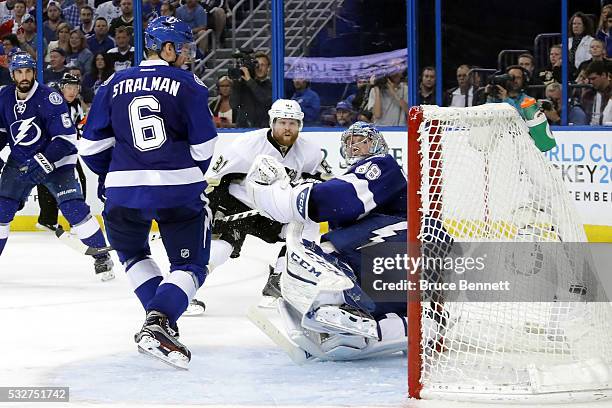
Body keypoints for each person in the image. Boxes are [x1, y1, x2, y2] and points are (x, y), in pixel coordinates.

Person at [81, 16, 217, 369]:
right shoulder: (188, 84)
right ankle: (160, 321)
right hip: (178, 189)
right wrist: (179, 171)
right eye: (183, 47)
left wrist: (121, 171)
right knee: (190, 264)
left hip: (122, 192)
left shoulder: (112, 83)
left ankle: (158, 323)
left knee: (133, 255)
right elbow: (204, 149)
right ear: (167, 48)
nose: (186, 55)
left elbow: (91, 150)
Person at [244, 122, 408, 360]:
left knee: (329, 249)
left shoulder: (384, 165)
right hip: (403, 278)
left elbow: (340, 199)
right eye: (350, 142)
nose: (355, 146)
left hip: (407, 256)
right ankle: (380, 320)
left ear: (378, 143)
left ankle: (348, 302)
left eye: (362, 140)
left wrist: (288, 196)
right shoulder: (360, 177)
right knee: (327, 245)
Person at [187, 99, 332, 313]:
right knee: (222, 247)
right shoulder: (247, 145)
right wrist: (212, 210)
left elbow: (327, 181)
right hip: (239, 205)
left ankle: (279, 282)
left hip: (274, 210)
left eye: (292, 123)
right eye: (282, 122)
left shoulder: (309, 151)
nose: (287, 128)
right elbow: (213, 180)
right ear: (272, 122)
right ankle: (188, 289)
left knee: (307, 225)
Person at [0, 53, 114, 280]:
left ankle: (102, 256)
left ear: (34, 72)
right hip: (21, 159)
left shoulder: (49, 97)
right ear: (13, 74)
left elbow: (65, 139)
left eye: (28, 71)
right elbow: (2, 133)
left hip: (57, 161)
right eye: (19, 72)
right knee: (2, 209)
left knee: (73, 209)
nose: (24, 77)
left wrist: (43, 161)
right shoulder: (4, 97)